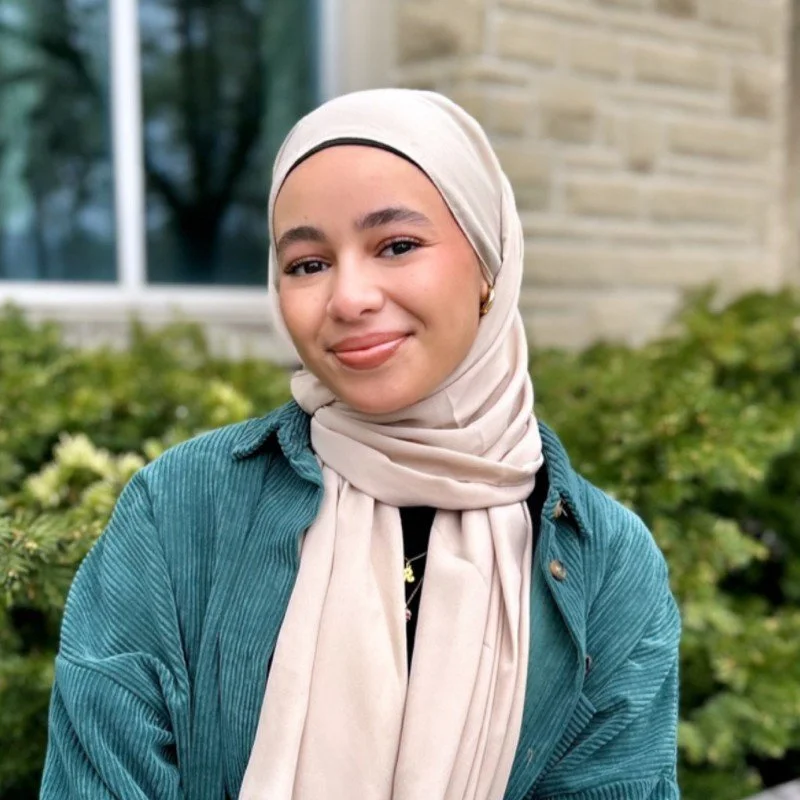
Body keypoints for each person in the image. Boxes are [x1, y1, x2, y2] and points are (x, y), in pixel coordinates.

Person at [40, 89, 681, 799]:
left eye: (397, 246)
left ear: (489, 267)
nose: (348, 298)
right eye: (307, 263)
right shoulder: (179, 512)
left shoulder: (609, 566)